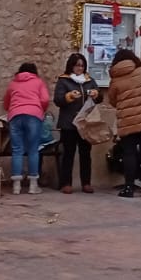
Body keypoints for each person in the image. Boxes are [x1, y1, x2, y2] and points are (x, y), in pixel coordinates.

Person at [105, 50, 141, 198]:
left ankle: (129, 188)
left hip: (128, 121)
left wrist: (123, 105)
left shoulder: (115, 79)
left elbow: (112, 100)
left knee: (129, 154)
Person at [53, 53, 100, 195]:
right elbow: (58, 100)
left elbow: (100, 97)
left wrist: (96, 94)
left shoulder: (89, 80)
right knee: (68, 154)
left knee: (86, 154)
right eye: (77, 65)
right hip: (69, 123)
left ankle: (86, 183)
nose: (80, 68)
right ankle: (65, 183)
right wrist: (69, 96)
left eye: (82, 65)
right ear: (71, 66)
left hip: (85, 123)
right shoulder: (63, 81)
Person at [3, 62, 51, 196]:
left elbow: (6, 102)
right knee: (33, 149)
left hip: (15, 115)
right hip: (33, 115)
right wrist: (41, 109)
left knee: (17, 150)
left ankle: (16, 186)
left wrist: (12, 109)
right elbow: (45, 99)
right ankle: (33, 185)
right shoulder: (38, 82)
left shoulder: (13, 83)